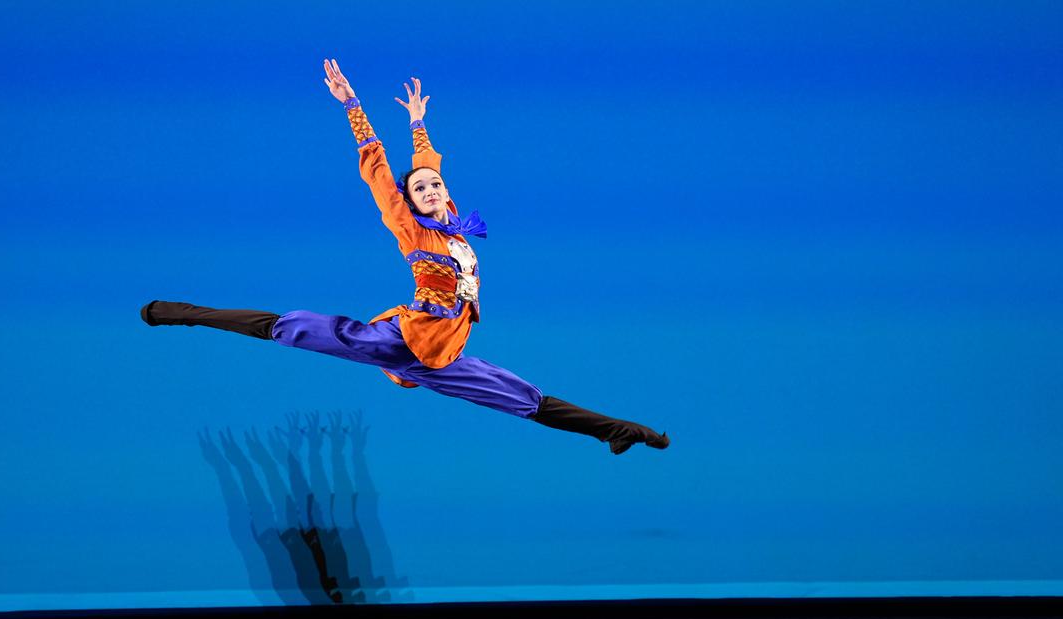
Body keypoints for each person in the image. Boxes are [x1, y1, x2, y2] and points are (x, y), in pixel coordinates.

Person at [140, 59, 669, 455]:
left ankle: (621, 431)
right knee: (295, 327)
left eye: (437, 185)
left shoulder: (453, 227)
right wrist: (354, 108)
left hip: (444, 354)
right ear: (410, 203)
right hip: (405, 339)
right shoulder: (416, 233)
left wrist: (418, 125)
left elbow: (425, 165)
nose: (433, 190)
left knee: (518, 396)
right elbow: (381, 171)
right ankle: (181, 312)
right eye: (422, 190)